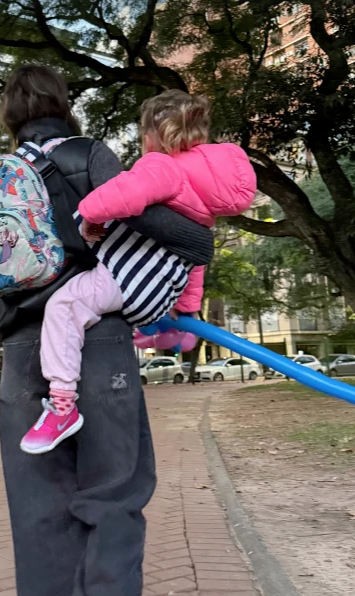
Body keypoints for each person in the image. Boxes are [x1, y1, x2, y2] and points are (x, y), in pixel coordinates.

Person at [0, 64, 214, 596]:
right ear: (65, 105)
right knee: (114, 497)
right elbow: (178, 234)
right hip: (99, 346)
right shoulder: (89, 155)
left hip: (20, 357)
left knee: (39, 520)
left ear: (10, 116)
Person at [20, 89, 256, 455]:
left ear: (153, 135)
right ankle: (164, 334)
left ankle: (62, 405)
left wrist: (90, 216)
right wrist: (186, 308)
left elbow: (121, 193)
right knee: (115, 304)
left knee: (64, 307)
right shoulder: (204, 201)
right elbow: (196, 261)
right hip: (161, 290)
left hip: (127, 278)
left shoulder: (162, 166)